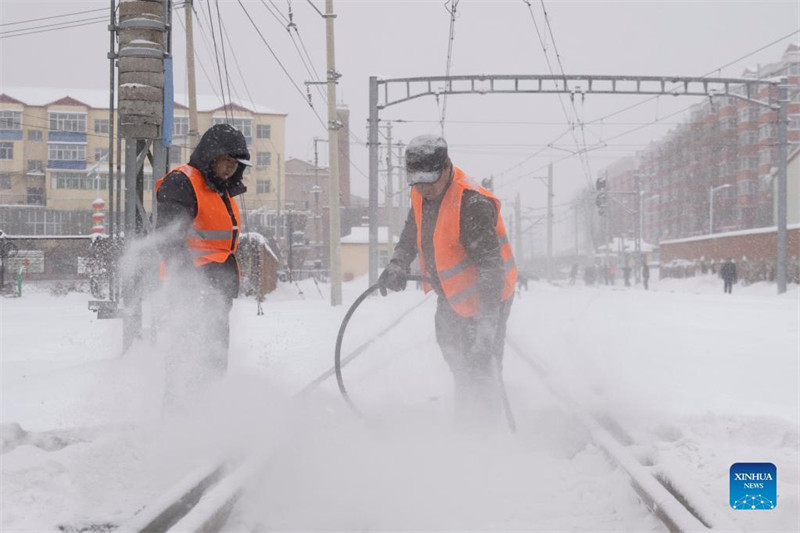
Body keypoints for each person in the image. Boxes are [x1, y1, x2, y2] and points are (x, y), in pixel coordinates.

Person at [378, 135, 517, 429]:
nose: (425, 188)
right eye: (418, 181)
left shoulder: (471, 204)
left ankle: (486, 435)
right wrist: (398, 263)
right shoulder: (421, 194)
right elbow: (410, 231)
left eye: (430, 181)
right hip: (452, 294)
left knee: (482, 364)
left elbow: (492, 270)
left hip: (490, 295)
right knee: (455, 355)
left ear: (446, 168)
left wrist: (486, 328)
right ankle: (466, 419)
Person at [155, 123, 250, 406]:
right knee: (188, 356)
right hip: (191, 290)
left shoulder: (218, 190)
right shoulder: (183, 182)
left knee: (213, 359)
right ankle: (178, 417)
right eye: (226, 161)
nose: (231, 168)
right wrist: (190, 284)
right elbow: (169, 239)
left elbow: (220, 245)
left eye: (235, 163)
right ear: (211, 155)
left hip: (215, 291)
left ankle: (207, 418)